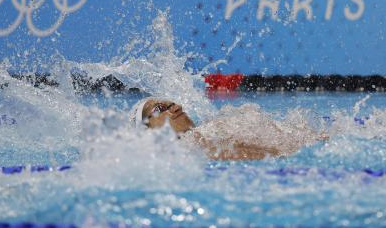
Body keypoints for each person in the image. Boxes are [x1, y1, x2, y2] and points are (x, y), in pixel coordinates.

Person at [131, 98, 327, 160]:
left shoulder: (206, 130)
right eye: (160, 109)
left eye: (172, 102)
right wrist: (298, 151)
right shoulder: (188, 150)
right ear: (147, 129)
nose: (177, 107)